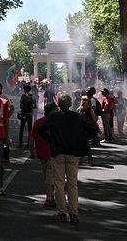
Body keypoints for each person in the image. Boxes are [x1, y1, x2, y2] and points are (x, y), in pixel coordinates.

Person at [37, 93, 98, 224]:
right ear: (70, 104)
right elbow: (93, 129)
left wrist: (50, 140)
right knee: (72, 183)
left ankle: (62, 212)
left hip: (58, 152)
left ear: (58, 104)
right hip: (73, 152)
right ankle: (74, 212)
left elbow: (41, 128)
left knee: (59, 183)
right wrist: (82, 138)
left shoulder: (53, 117)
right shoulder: (77, 117)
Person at [30, 102, 59, 207]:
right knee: (50, 177)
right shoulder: (55, 123)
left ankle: (50, 195)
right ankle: (49, 197)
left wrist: (32, 151)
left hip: (41, 153)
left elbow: (32, 137)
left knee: (47, 175)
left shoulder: (38, 122)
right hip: (53, 153)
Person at [77, 96, 97, 165]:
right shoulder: (79, 109)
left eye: (85, 100)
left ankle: (89, 158)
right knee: (82, 143)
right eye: (83, 100)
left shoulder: (90, 110)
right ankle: (83, 158)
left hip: (87, 129)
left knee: (85, 143)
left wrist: (96, 128)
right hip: (81, 128)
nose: (84, 102)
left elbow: (94, 120)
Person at [18, 84, 36, 148]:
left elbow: (20, 105)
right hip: (30, 114)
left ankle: (20, 143)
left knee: (21, 129)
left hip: (23, 114)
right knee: (29, 130)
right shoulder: (32, 96)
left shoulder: (23, 96)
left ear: (25, 90)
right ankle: (29, 144)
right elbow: (35, 106)